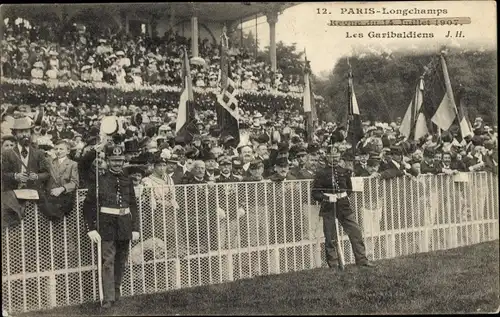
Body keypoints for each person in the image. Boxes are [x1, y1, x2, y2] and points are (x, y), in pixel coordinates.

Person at [82, 143, 140, 309]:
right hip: (106, 225)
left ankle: (115, 292)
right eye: (114, 160)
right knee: (108, 261)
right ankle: (108, 298)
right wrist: (91, 228)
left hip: (124, 225)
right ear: (107, 160)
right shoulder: (100, 180)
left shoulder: (127, 179)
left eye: (120, 160)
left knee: (121, 261)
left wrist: (135, 227)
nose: (117, 164)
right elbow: (88, 205)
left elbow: (133, 205)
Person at [311, 149, 375, 269]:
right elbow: (315, 193)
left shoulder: (345, 171)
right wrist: (327, 198)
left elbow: (349, 189)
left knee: (355, 231)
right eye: (332, 156)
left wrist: (340, 197)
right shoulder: (321, 173)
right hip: (328, 206)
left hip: (343, 206)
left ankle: (361, 259)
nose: (334, 158)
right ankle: (334, 264)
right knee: (330, 236)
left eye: (337, 156)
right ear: (327, 156)